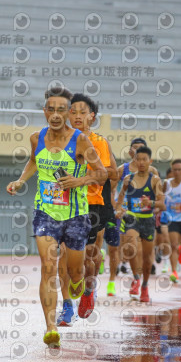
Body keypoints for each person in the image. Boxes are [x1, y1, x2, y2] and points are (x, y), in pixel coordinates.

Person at [6, 86, 107, 348]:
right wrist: (20, 181)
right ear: (44, 111)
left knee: (74, 272)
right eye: (50, 109)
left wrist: (79, 180)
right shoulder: (35, 138)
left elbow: (102, 173)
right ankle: (51, 327)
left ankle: (78, 284)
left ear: (69, 112)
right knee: (48, 267)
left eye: (61, 110)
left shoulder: (81, 141)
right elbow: (33, 161)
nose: (55, 114)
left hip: (76, 215)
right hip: (46, 212)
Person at [56, 93, 118, 325]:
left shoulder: (98, 142)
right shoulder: (59, 140)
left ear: (92, 116)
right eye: (73, 112)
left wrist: (79, 179)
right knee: (64, 255)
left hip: (92, 204)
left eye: (82, 112)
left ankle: (89, 289)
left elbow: (107, 174)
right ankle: (67, 307)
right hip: (64, 204)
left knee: (89, 258)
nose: (77, 116)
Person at [115, 146, 165, 303]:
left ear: (150, 161)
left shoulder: (155, 180)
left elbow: (162, 204)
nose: (141, 162)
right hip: (131, 218)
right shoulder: (128, 179)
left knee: (147, 259)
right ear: (134, 160)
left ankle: (144, 286)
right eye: (138, 159)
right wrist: (118, 209)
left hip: (147, 220)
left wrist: (150, 203)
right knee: (131, 248)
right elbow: (121, 196)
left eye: (145, 159)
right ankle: (136, 278)